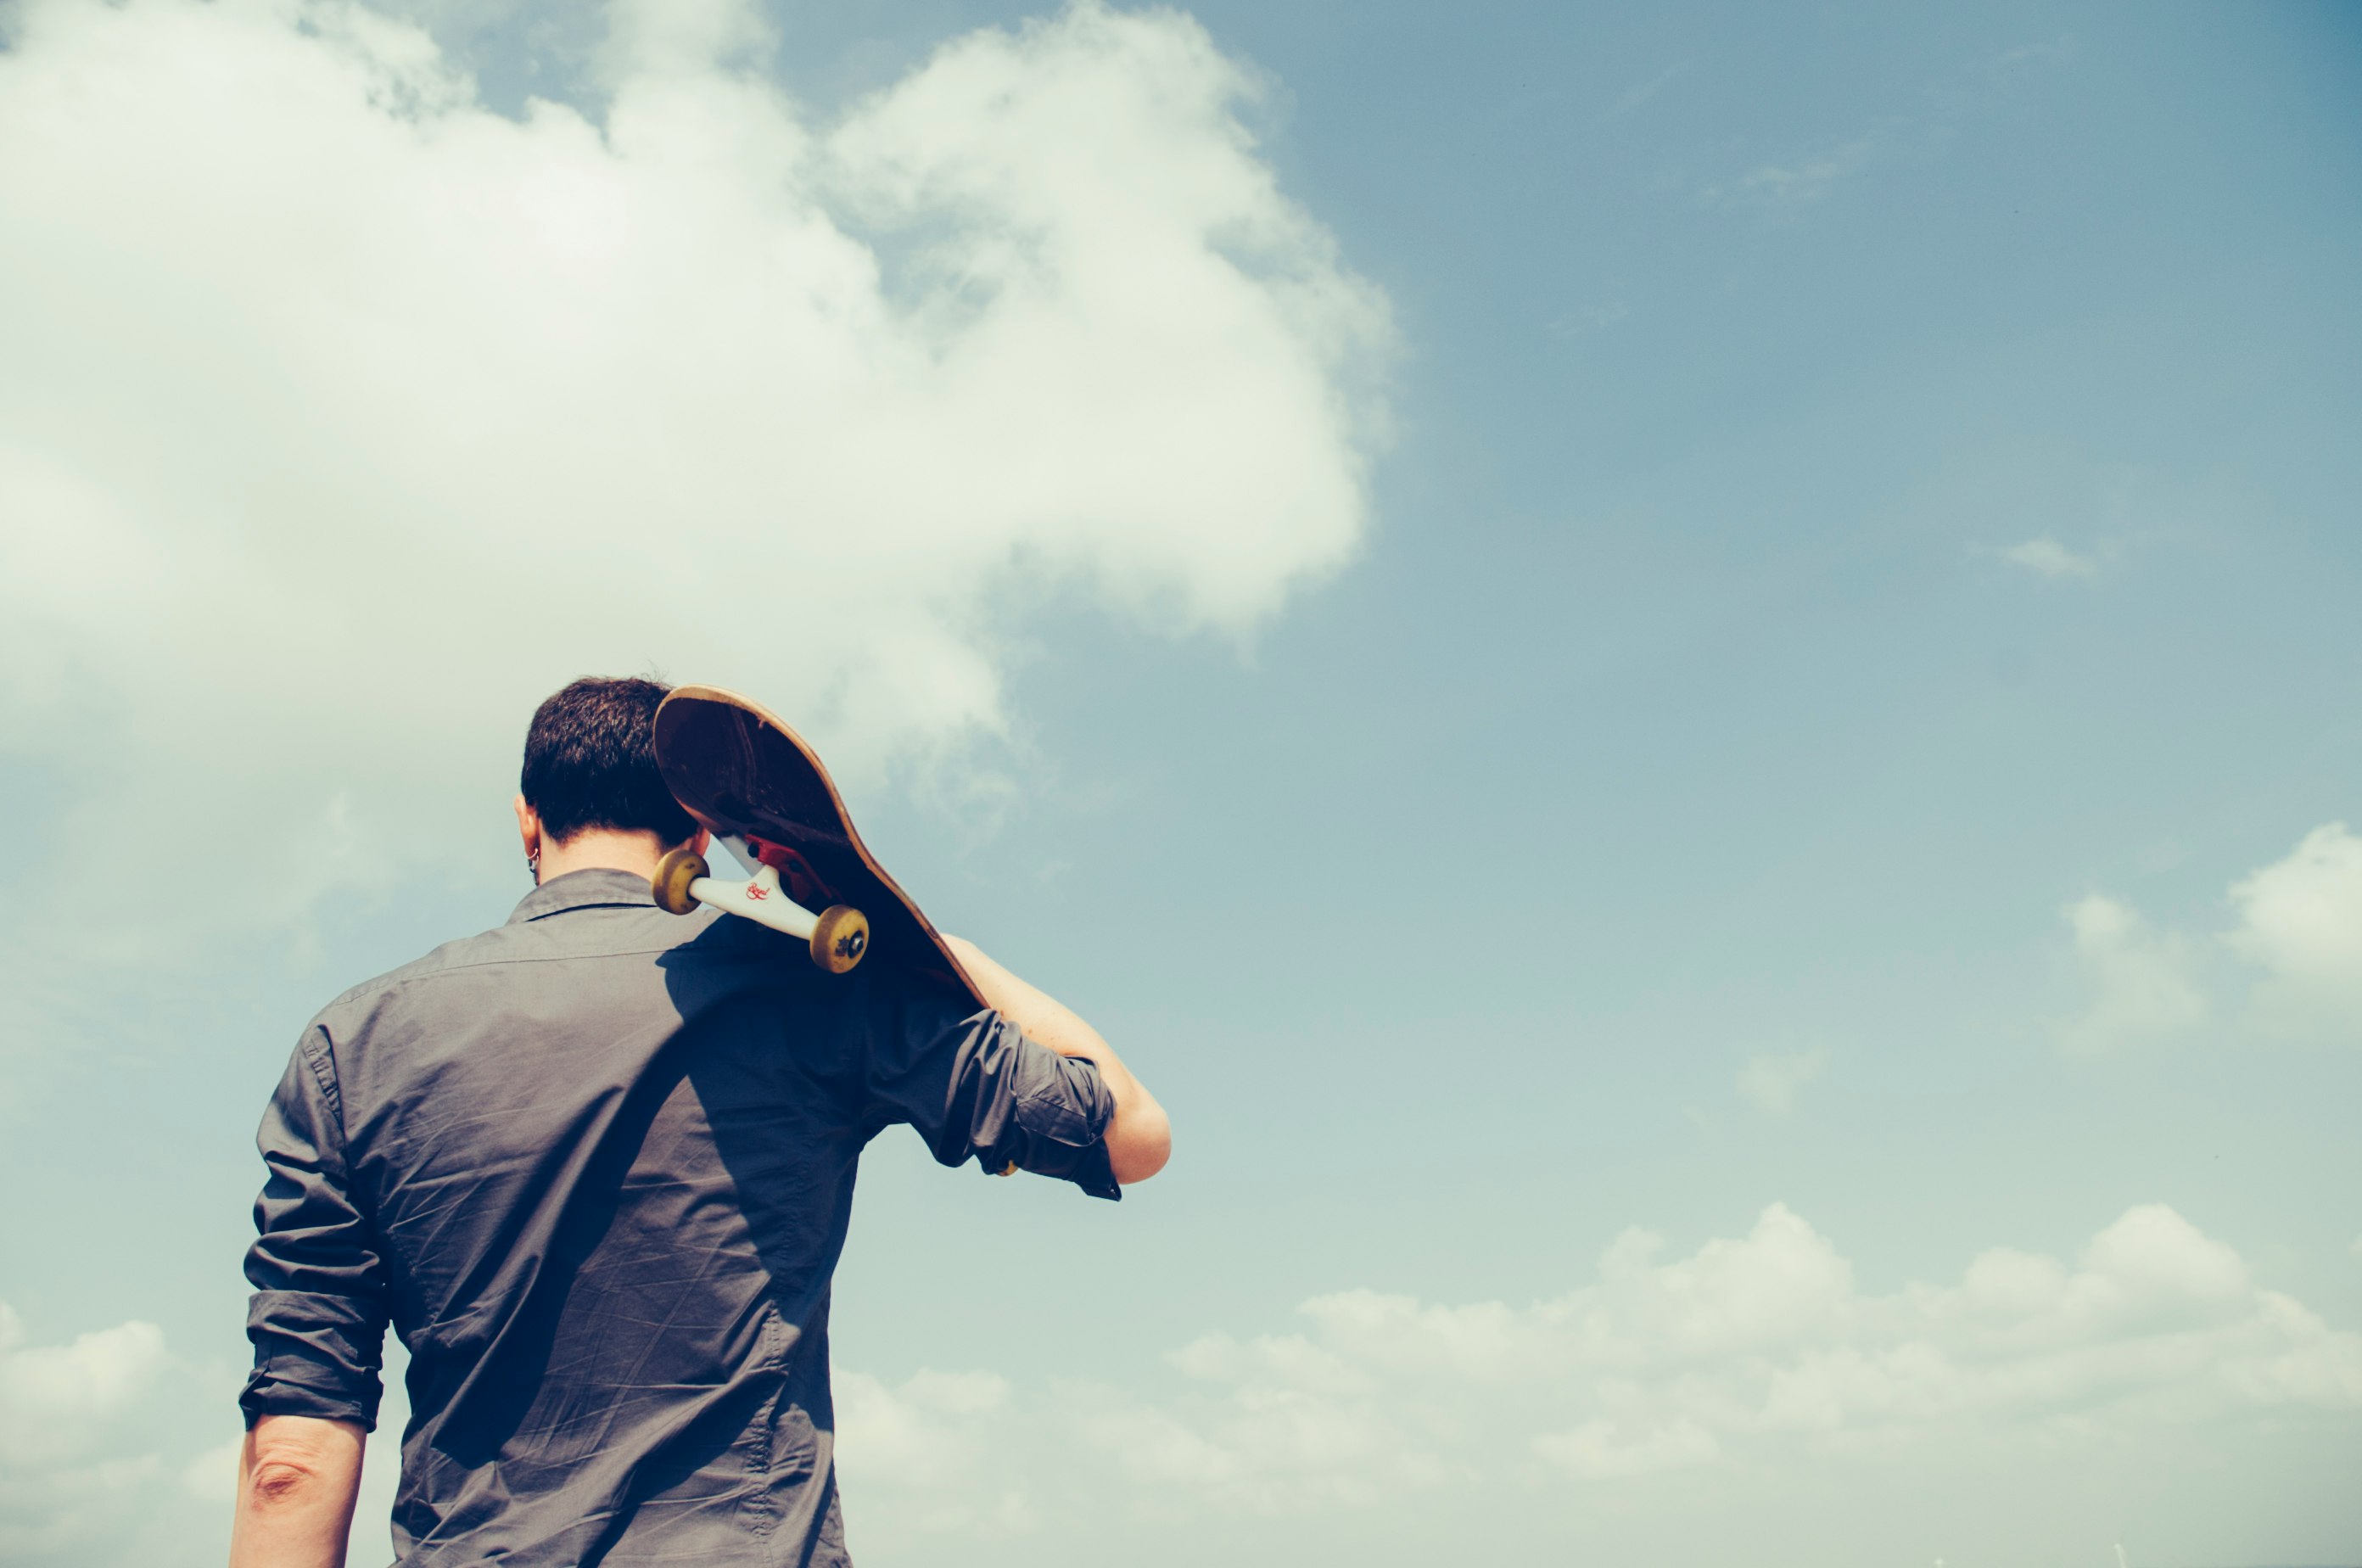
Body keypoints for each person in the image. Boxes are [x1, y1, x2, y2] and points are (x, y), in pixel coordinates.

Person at [228, 675, 1171, 1567]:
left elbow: (292, 1461)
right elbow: (1129, 1132)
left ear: (527, 819)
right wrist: (939, 950)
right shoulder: (811, 985)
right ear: (699, 823)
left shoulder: (350, 1047)